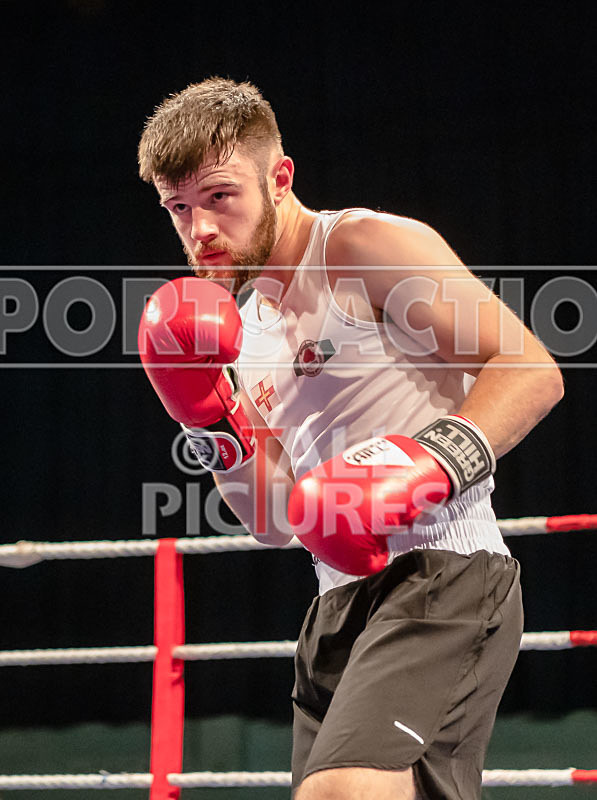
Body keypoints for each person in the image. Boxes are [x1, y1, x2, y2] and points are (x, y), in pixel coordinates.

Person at [137, 78, 564, 800]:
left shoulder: (363, 244)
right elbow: (272, 521)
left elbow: (530, 369)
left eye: (219, 196)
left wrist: (425, 462)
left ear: (279, 178)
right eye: (178, 208)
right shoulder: (243, 335)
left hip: (441, 573)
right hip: (335, 603)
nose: (199, 228)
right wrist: (207, 416)